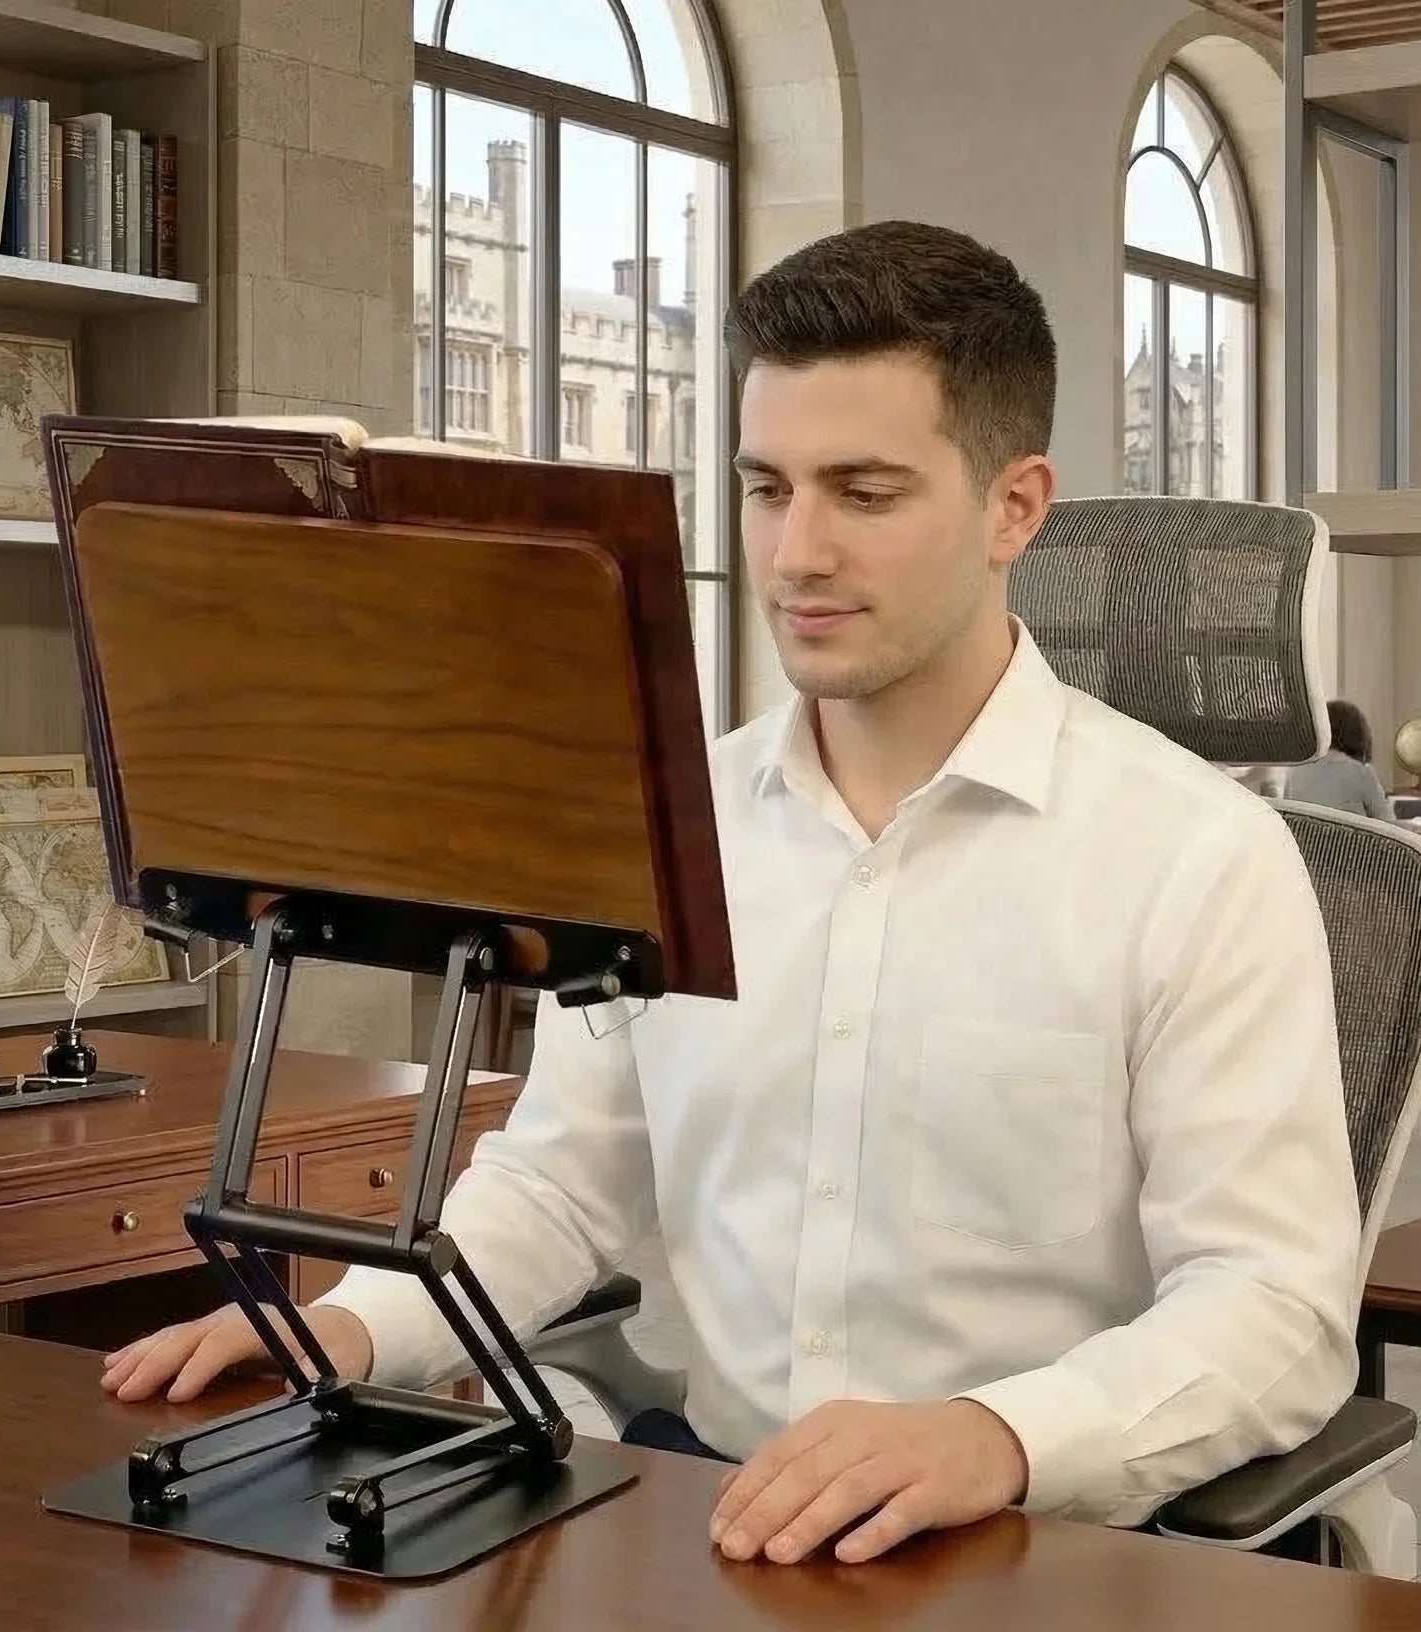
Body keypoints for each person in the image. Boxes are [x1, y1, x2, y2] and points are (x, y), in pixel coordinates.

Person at [101, 221, 1359, 1566]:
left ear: (1014, 507)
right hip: (724, 1524)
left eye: (863, 493)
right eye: (766, 488)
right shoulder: (655, 821)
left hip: (1047, 1544)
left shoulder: (1197, 859)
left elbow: (1272, 1308)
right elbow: (561, 1188)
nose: (796, 553)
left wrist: (992, 1435)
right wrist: (350, 1327)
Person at [1285, 699, 1394, 820]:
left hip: (1306, 839)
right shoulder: (1361, 773)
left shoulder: (1294, 773)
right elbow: (1389, 825)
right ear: (1357, 734)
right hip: (1352, 839)